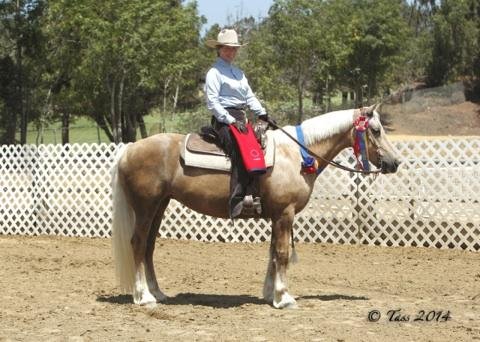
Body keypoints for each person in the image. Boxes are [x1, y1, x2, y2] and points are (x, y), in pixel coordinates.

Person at [204, 28, 272, 218]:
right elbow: (212, 102)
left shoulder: (239, 73)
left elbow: (250, 97)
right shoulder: (214, 73)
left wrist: (263, 114)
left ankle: (257, 193)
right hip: (223, 119)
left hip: (242, 118)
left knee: (258, 147)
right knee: (239, 149)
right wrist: (230, 120)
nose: (231, 52)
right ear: (219, 49)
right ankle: (237, 200)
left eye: (234, 49)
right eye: (227, 48)